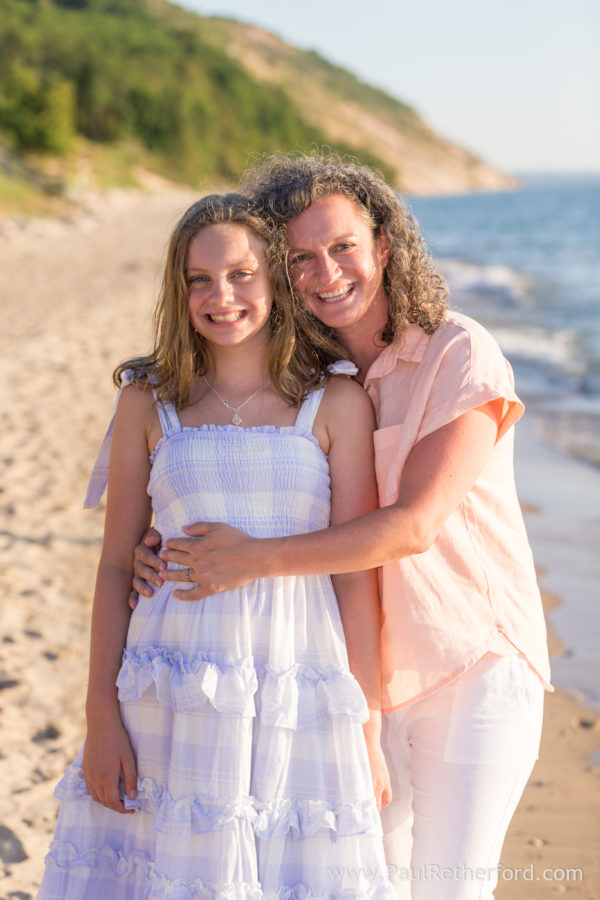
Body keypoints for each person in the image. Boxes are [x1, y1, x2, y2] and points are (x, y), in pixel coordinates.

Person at [132, 156, 552, 900]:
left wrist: (253, 559)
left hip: (471, 667)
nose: (326, 273)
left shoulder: (457, 351)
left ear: (383, 247)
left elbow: (413, 525)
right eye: (301, 257)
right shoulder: (312, 379)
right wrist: (160, 541)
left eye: (343, 247)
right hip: (354, 676)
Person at [38, 192, 395, 899]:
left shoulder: (336, 403)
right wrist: (100, 718)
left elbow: (355, 574)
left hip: (297, 685)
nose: (220, 296)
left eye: (241, 275)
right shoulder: (148, 401)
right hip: (168, 683)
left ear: (277, 281)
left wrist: (369, 728)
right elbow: (115, 567)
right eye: (199, 279)